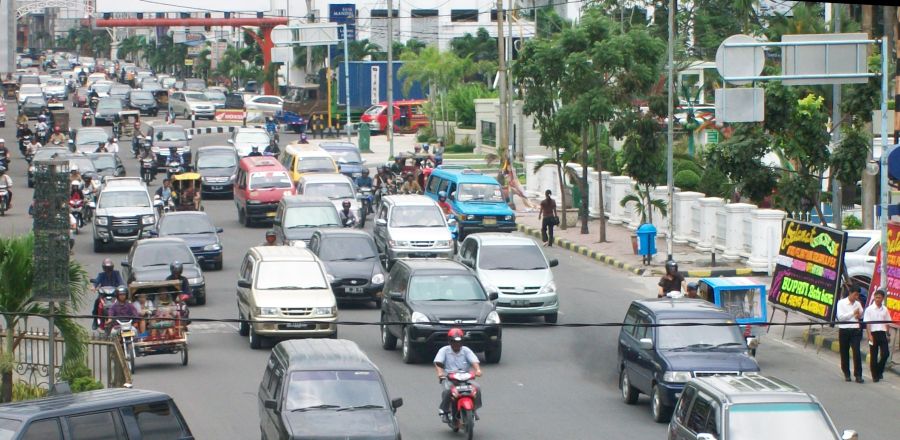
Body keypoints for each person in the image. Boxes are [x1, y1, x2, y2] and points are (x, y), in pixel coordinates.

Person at [434, 328, 482, 423]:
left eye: (459, 342)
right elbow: (438, 362)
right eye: (454, 342)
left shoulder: (466, 350)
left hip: (465, 377)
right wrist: (440, 373)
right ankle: (444, 411)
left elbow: (474, 361)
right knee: (448, 391)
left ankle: (474, 409)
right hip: (449, 378)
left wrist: (478, 370)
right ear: (449, 341)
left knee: (477, 387)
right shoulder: (443, 350)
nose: (456, 344)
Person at [836, 286, 865, 383]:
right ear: (850, 293)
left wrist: (859, 315)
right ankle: (846, 373)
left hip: (855, 330)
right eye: (855, 294)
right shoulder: (841, 303)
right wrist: (853, 313)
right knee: (844, 352)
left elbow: (861, 314)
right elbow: (840, 317)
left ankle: (858, 375)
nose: (856, 297)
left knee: (856, 352)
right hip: (844, 330)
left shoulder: (858, 303)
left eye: (858, 295)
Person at [864, 289, 891, 382]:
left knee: (885, 354)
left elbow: (887, 322)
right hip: (873, 333)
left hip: (882, 333)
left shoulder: (885, 309)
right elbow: (867, 323)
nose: (877, 299)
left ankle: (879, 370)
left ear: (882, 298)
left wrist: (888, 334)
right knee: (874, 355)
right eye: (876, 297)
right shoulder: (869, 309)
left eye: (879, 297)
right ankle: (874, 375)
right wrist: (869, 335)